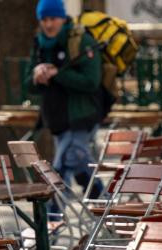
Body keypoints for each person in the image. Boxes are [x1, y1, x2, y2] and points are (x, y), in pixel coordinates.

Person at [28, 0, 105, 205]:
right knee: (79, 163)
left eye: (53, 18)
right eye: (44, 19)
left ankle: (51, 223)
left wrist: (58, 74)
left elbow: (92, 81)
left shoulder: (81, 41)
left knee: (59, 169)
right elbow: (28, 84)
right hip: (56, 119)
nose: (49, 24)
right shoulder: (39, 44)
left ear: (63, 18)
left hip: (80, 116)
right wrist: (36, 77)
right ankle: (105, 206)